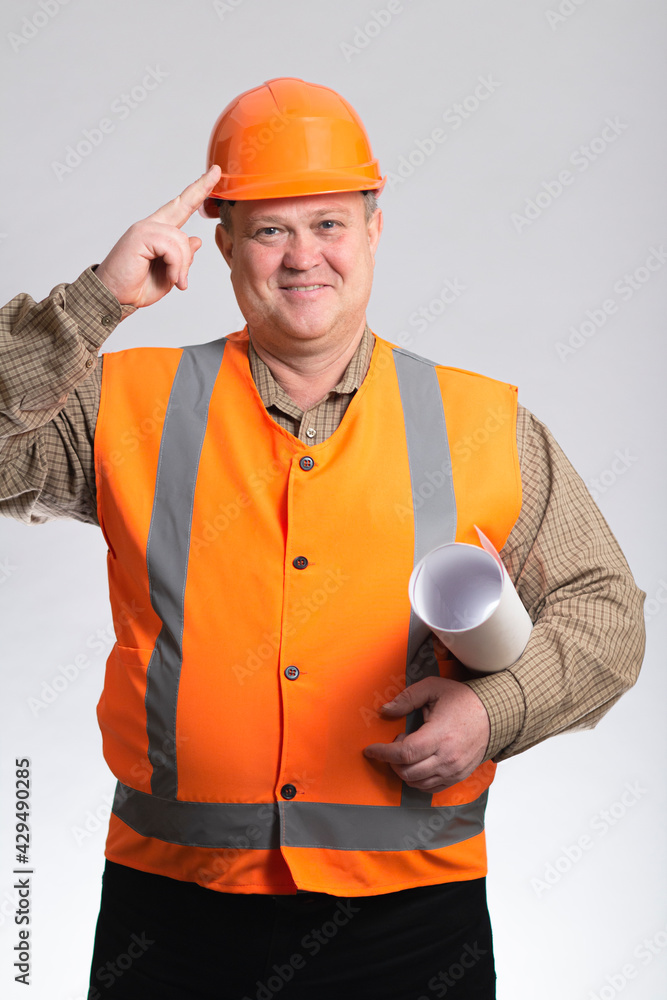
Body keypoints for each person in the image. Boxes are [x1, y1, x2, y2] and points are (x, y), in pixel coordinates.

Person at [0, 77, 645, 999]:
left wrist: (493, 712)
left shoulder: (482, 422)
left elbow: (608, 613)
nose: (303, 256)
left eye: (329, 223)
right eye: (269, 229)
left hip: (412, 927)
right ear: (221, 245)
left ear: (374, 231)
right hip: (171, 915)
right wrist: (94, 302)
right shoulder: (122, 405)